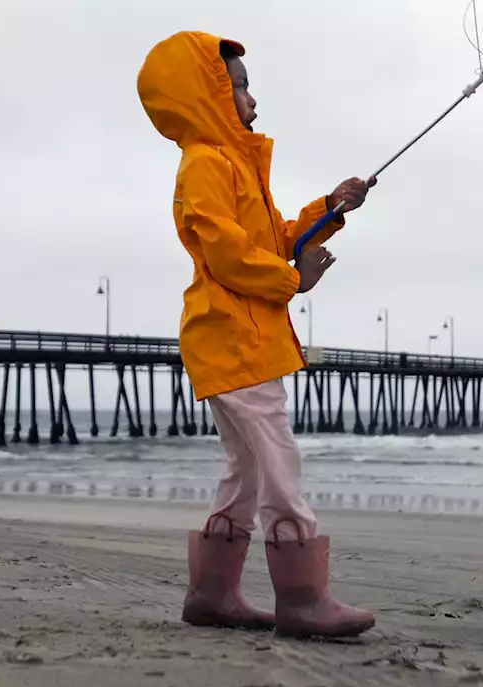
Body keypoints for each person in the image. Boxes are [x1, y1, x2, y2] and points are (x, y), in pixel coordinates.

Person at [137, 31, 375, 639]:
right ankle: (302, 598)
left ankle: (213, 594)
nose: (251, 98)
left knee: (245, 468)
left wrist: (333, 206)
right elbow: (227, 254)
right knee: (278, 461)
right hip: (231, 338)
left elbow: (271, 241)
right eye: (237, 86)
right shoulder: (206, 165)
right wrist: (293, 281)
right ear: (205, 95)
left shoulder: (233, 164)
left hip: (237, 338)